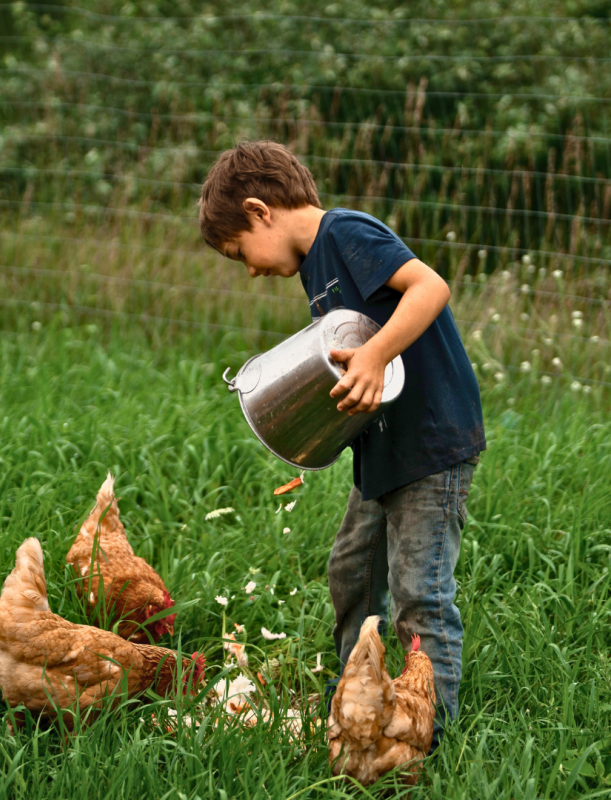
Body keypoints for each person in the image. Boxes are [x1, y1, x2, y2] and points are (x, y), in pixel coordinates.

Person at [198, 141, 485, 749]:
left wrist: (378, 354)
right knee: (351, 571)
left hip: (429, 446)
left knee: (420, 594)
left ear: (259, 211)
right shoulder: (314, 264)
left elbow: (430, 287)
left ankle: (431, 737)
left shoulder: (346, 232)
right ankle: (355, 705)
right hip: (382, 451)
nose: (248, 269)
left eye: (238, 253)